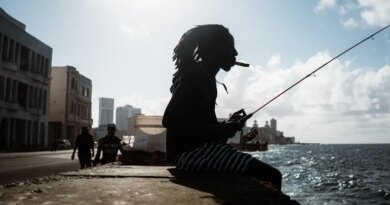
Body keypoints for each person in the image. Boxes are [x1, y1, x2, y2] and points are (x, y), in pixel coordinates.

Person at [162, 24, 282, 191]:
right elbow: (170, 119)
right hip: (190, 155)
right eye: (230, 47)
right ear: (213, 49)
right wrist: (220, 130)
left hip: (195, 151)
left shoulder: (207, 78)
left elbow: (199, 125)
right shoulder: (197, 75)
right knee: (273, 176)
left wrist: (226, 127)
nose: (235, 53)